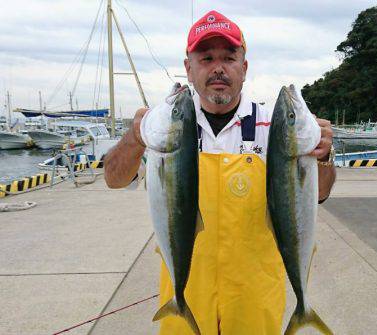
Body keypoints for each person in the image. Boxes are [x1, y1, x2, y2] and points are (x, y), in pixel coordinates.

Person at [104, 10, 336, 334]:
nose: (218, 68)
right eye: (206, 57)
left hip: (254, 293)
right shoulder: (165, 125)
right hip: (185, 289)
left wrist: (323, 157)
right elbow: (114, 179)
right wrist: (134, 137)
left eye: (229, 57)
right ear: (189, 67)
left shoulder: (274, 125)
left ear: (244, 66)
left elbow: (320, 193)